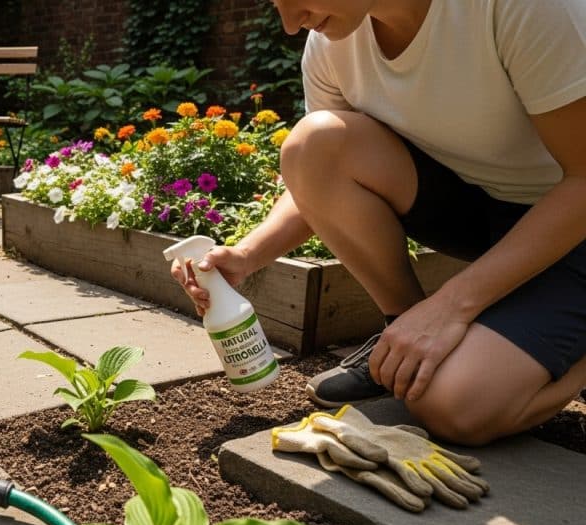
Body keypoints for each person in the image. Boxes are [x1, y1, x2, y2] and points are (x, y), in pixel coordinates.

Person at [172, 0, 586, 446]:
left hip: (571, 219)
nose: (291, 24)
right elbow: (317, 174)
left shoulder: (523, 8)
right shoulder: (334, 43)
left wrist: (452, 305)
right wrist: (247, 255)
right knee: (313, 144)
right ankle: (403, 336)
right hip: (485, 211)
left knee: (452, 407)